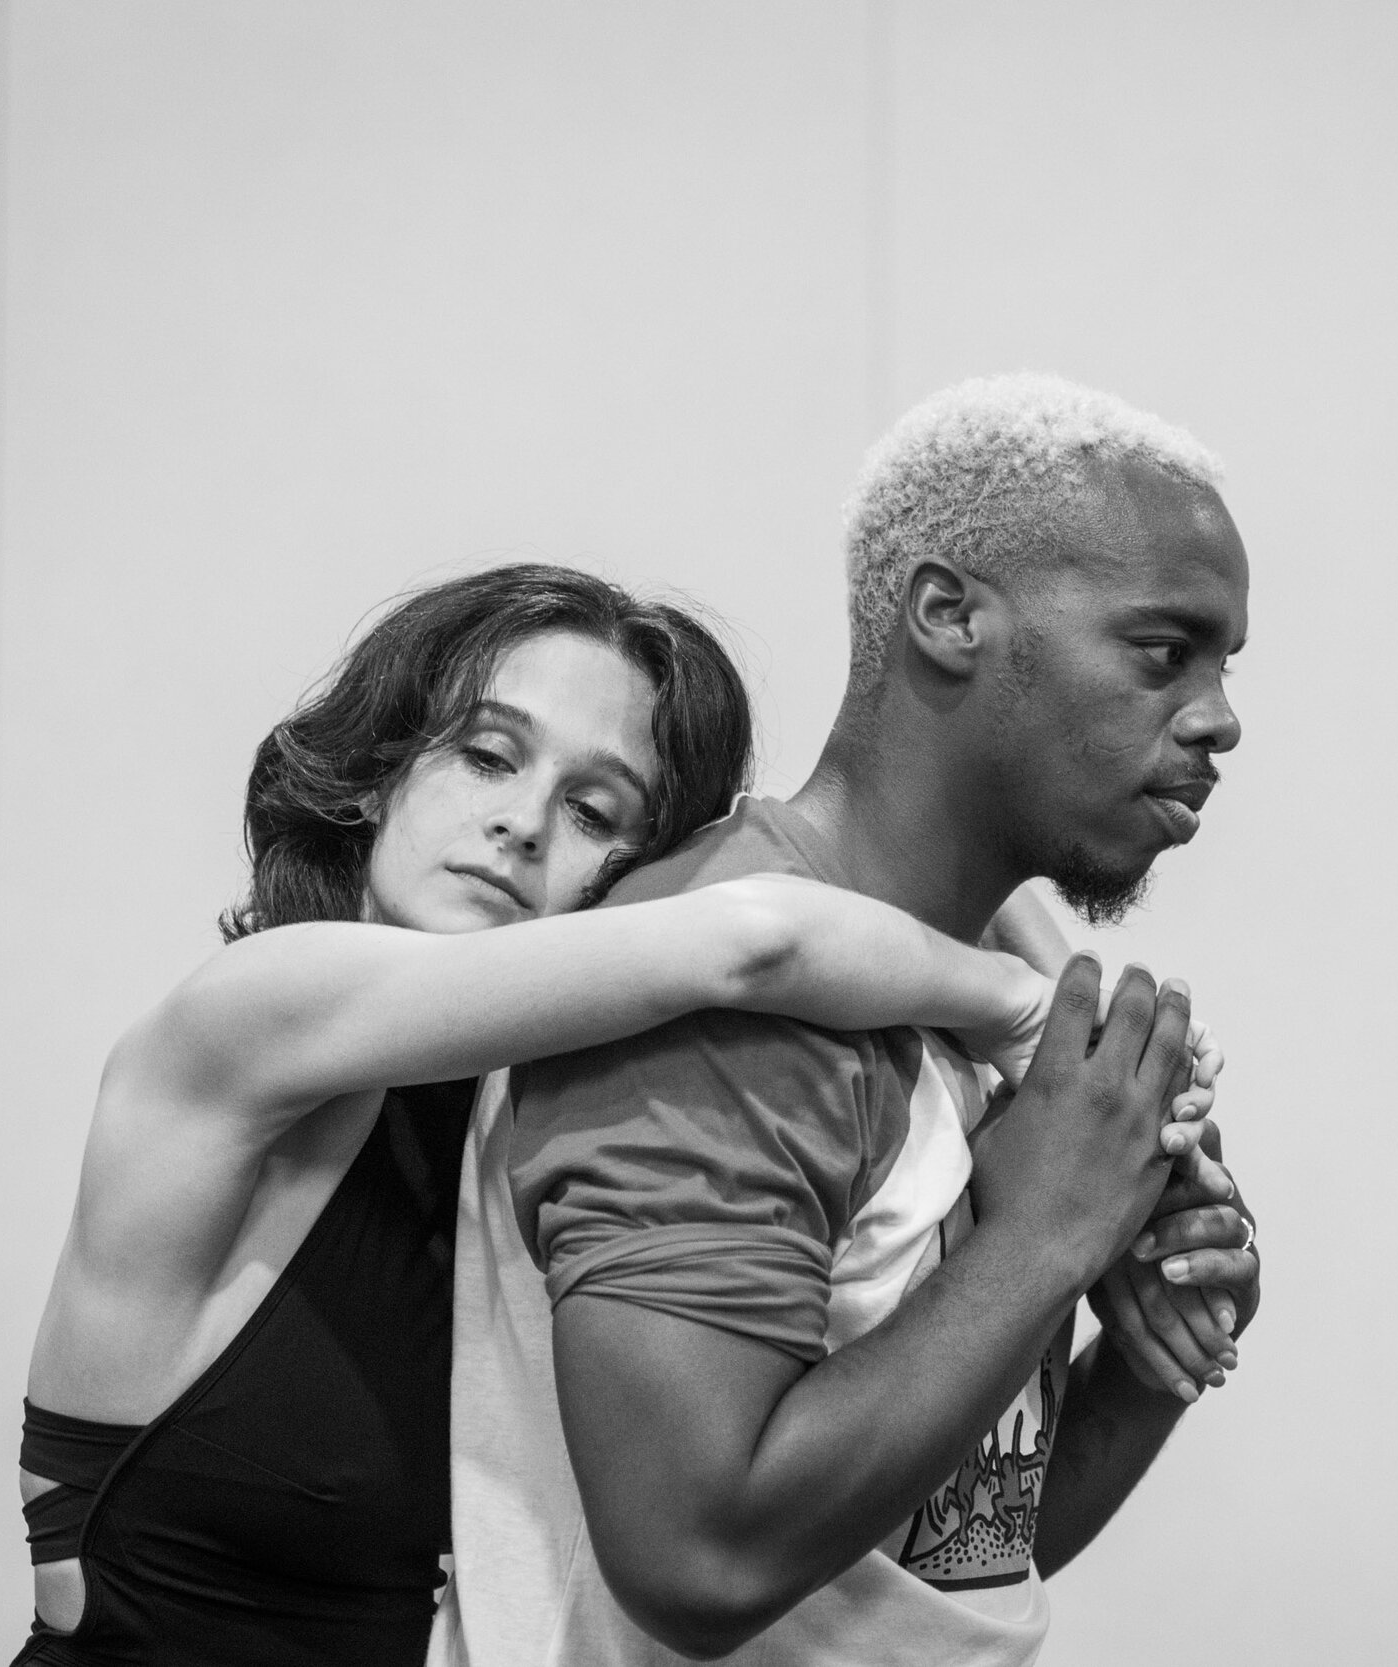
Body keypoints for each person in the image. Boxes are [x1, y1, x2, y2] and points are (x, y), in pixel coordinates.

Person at [9, 563, 1191, 1667]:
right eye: (484, 755)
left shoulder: (538, 1120)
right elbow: (761, 932)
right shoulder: (252, 1017)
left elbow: (905, 1551)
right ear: (375, 769)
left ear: (626, 874)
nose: (524, 823)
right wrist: (1041, 1013)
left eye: (593, 807)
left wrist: (1145, 1353)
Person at [432, 375, 1265, 1667]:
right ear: (948, 613)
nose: (1218, 716)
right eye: (1164, 650)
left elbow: (963, 1555)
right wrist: (1050, 1231)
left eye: (1224, 665)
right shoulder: (721, 987)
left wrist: (1151, 1352)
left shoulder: (994, 996)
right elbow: (698, 1558)